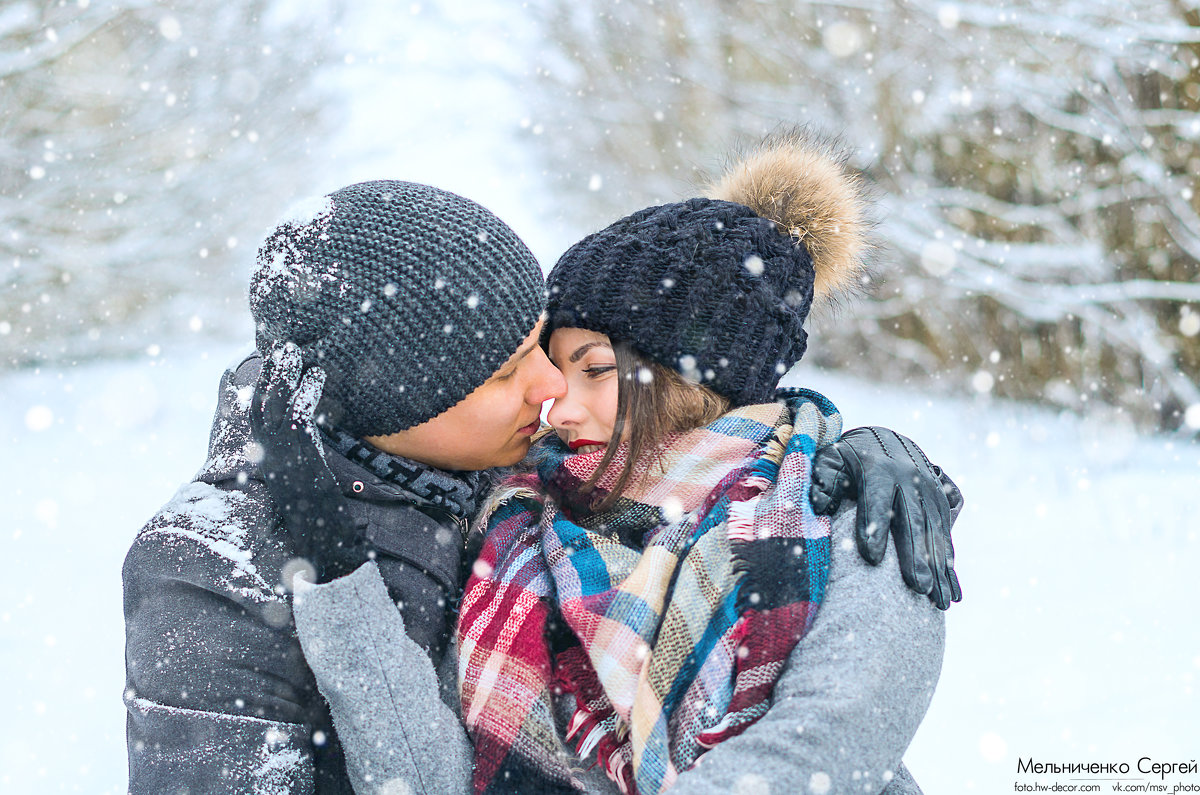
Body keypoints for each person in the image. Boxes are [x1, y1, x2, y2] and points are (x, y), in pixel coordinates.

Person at [124, 173, 957, 793]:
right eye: (525, 367)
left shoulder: (837, 513)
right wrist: (335, 576)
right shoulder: (508, 514)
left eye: (577, 361)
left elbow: (829, 741)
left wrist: (875, 448)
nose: (555, 397)